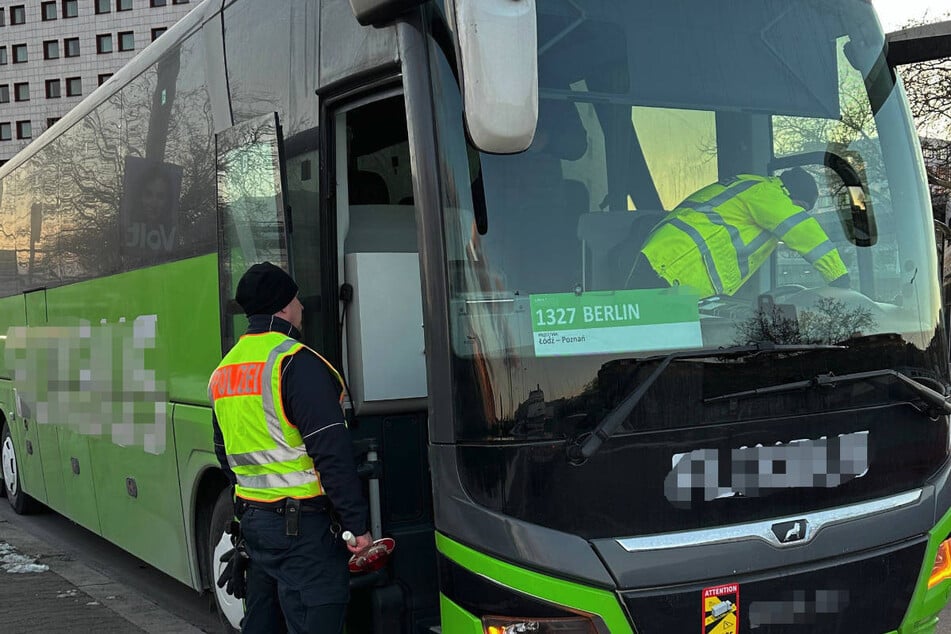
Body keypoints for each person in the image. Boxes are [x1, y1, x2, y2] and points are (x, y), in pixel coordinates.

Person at [209, 261, 372, 633]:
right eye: (296, 299)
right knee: (317, 616)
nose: (301, 307)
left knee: (264, 621)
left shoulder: (225, 370)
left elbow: (224, 453)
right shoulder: (295, 363)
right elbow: (331, 451)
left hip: (256, 524)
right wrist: (356, 527)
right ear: (283, 307)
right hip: (303, 529)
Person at [627, 167, 850, 297]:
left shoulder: (751, 186)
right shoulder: (768, 193)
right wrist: (839, 277)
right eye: (799, 207)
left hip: (668, 266)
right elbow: (803, 230)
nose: (797, 213)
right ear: (791, 194)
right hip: (670, 267)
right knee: (649, 348)